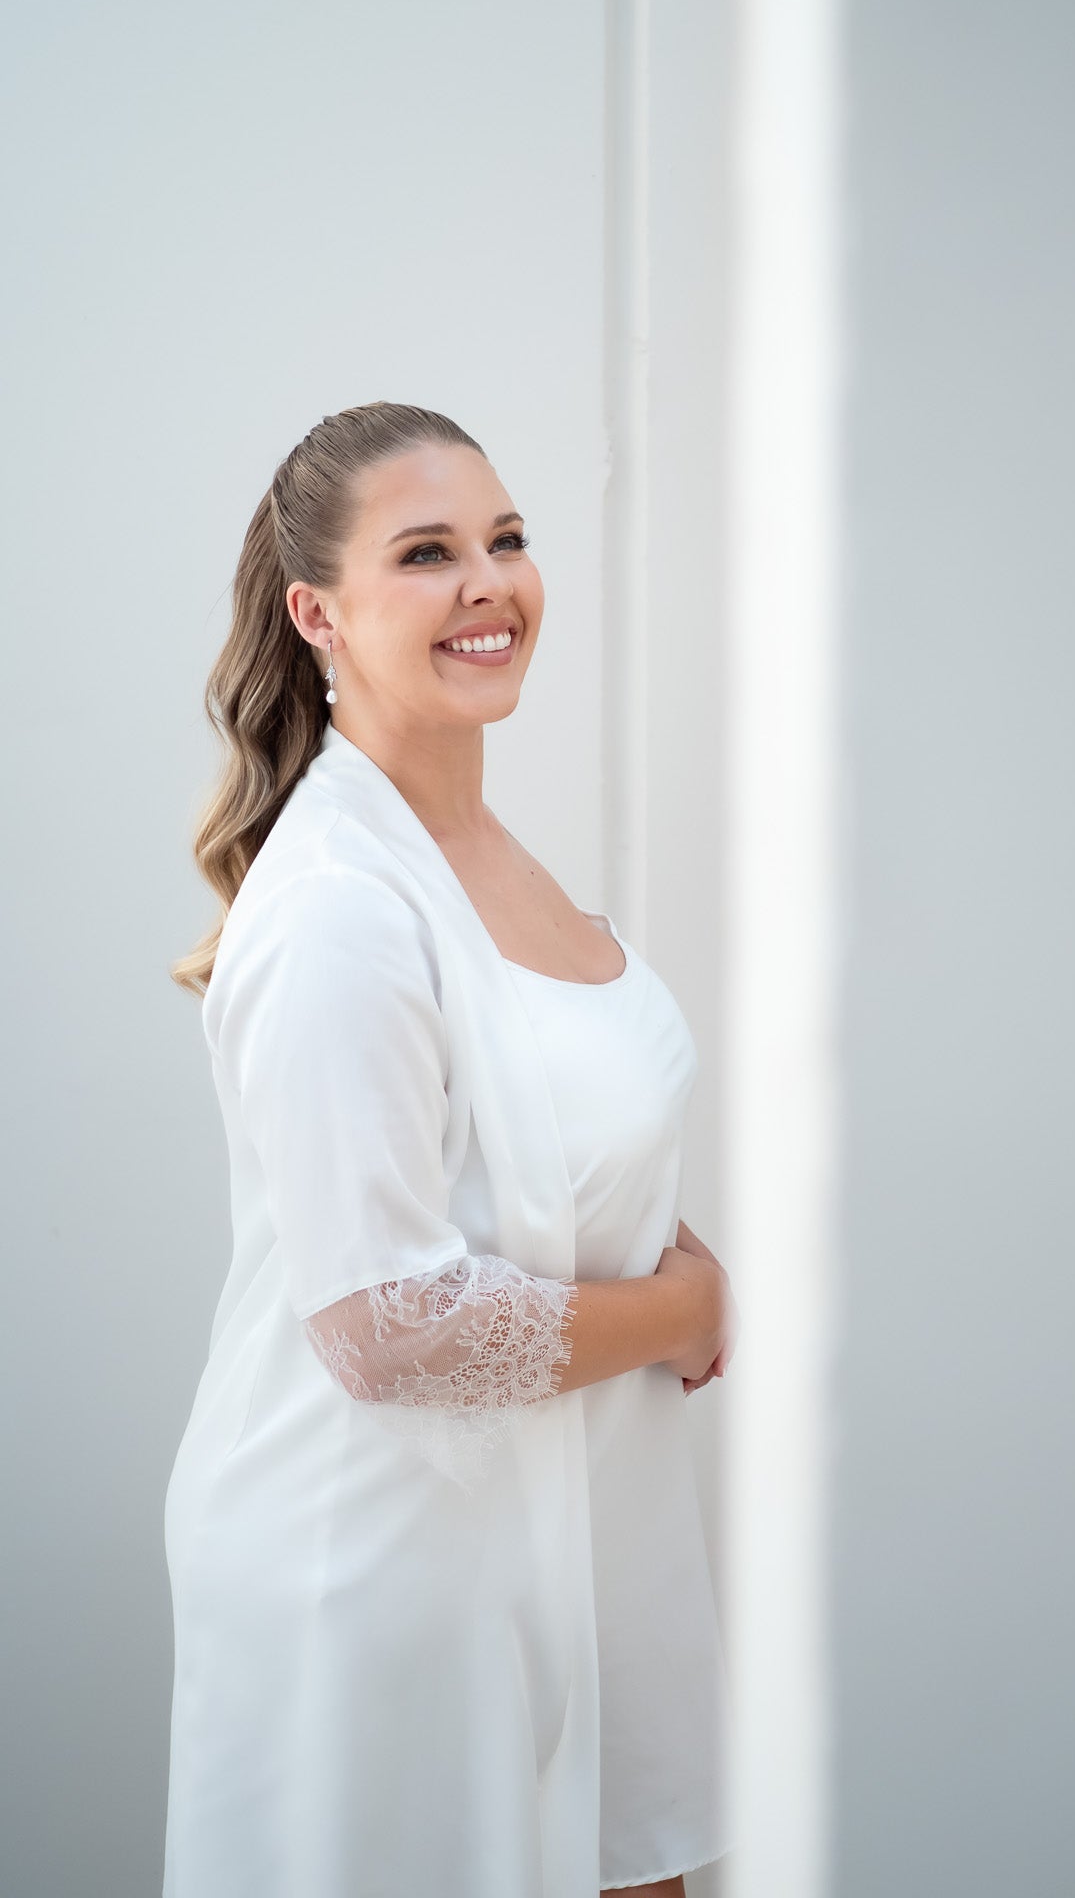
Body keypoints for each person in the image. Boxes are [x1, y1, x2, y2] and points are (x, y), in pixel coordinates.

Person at [161, 401, 739, 1898]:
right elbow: (387, 1329)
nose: (489, 582)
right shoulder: (342, 902)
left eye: (507, 540)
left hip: (580, 1533)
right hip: (386, 1572)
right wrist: (678, 1312)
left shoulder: (480, 852)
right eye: (427, 553)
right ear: (320, 615)